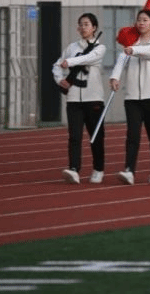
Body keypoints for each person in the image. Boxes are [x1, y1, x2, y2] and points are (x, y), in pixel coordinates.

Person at [110, 9, 150, 185]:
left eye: (145, 20)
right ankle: (129, 170)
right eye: (139, 20)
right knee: (132, 136)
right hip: (132, 98)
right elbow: (121, 61)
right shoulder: (130, 44)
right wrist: (115, 77)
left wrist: (132, 49)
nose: (141, 23)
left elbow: (147, 52)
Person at [53, 13, 106, 184]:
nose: (83, 28)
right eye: (80, 24)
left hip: (94, 98)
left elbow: (88, 58)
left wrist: (70, 62)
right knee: (74, 136)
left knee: (96, 136)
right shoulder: (71, 47)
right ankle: (74, 168)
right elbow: (57, 65)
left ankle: (98, 169)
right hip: (74, 99)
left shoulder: (100, 48)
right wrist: (60, 79)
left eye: (86, 24)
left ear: (94, 28)